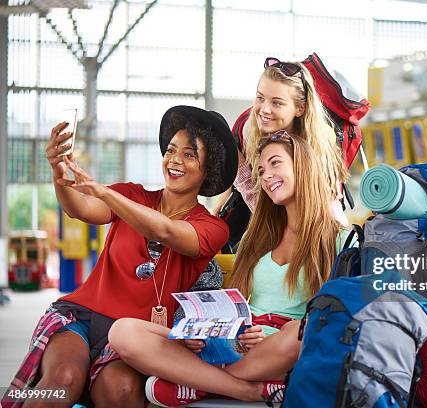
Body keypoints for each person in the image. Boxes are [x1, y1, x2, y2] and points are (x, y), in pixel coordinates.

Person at [3, 106, 237, 408]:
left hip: (135, 335)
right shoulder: (133, 195)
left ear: (210, 168)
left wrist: (106, 193)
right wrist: (59, 175)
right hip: (81, 317)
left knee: (121, 389)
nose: (175, 160)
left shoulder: (212, 227)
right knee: (63, 378)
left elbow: (166, 231)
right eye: (170, 150)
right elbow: (81, 208)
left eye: (190, 154)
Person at [108, 131, 348, 407]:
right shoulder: (257, 236)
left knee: (304, 331)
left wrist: (279, 330)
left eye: (275, 163)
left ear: (302, 166)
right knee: (123, 332)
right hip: (232, 343)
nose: (266, 175)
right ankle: (243, 388)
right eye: (261, 169)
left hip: (281, 349)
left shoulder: (337, 239)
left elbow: (333, 320)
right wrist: (202, 333)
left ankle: (199, 384)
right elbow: (238, 304)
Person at [213, 56, 349, 225]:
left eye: (277, 103)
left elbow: (283, 222)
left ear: (300, 108)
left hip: (324, 233)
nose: (264, 110)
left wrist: (240, 171)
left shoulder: (316, 146)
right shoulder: (251, 129)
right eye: (260, 98)